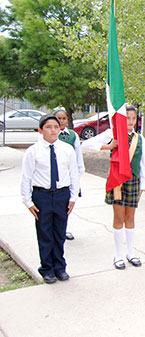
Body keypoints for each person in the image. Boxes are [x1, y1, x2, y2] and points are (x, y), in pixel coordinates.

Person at [81, 105, 145, 269]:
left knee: (130, 218)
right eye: (127, 118)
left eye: (134, 118)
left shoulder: (140, 138)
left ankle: (130, 253)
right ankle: (118, 255)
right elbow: (87, 144)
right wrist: (109, 146)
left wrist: (142, 186)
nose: (130, 122)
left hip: (133, 181)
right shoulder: (113, 134)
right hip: (117, 180)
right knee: (118, 218)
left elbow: (143, 163)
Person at [21, 114, 80, 283]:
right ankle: (47, 268)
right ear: (40, 131)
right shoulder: (33, 151)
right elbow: (26, 178)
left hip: (62, 195)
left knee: (59, 233)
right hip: (42, 196)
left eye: (56, 126)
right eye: (48, 127)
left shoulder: (67, 150)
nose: (53, 130)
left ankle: (60, 267)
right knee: (45, 233)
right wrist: (28, 201)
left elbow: (74, 175)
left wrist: (73, 197)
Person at [53, 106, 85, 241]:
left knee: (67, 203)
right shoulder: (51, 134)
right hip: (54, 174)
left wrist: (79, 171)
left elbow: (78, 153)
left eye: (64, 118)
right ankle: (53, 229)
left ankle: (63, 229)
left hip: (69, 173)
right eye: (58, 118)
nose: (61, 121)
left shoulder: (72, 135)